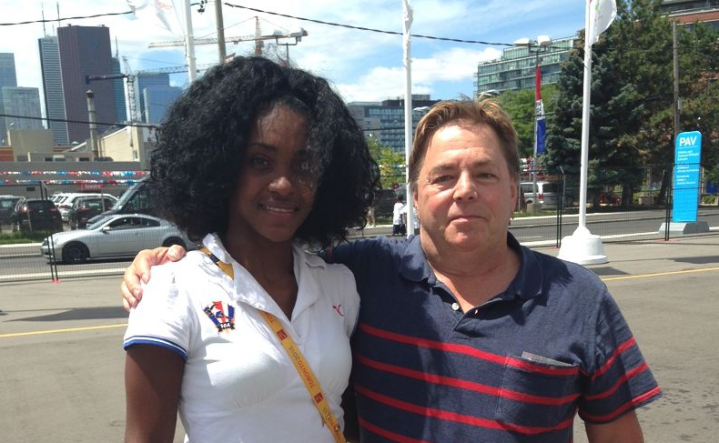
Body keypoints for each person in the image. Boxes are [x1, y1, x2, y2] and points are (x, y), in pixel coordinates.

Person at [122, 100, 661, 442]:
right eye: (443, 176)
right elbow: (257, 253)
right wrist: (172, 257)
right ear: (415, 196)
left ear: (516, 190)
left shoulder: (579, 297)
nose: (465, 191)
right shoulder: (363, 273)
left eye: (485, 174)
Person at [122, 56, 380, 443]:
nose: (284, 184)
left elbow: (345, 416)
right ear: (222, 167)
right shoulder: (171, 288)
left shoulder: (339, 285)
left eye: (304, 165)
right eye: (260, 161)